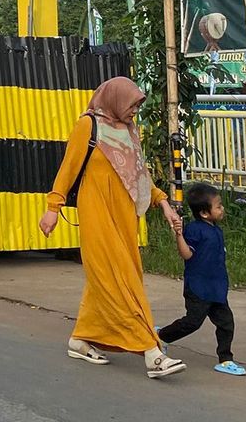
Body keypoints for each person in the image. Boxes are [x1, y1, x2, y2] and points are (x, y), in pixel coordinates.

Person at [39, 76, 186, 379]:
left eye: (137, 105)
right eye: (132, 104)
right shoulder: (88, 126)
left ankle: (81, 339)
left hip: (126, 220)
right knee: (122, 282)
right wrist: (53, 208)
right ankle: (151, 351)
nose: (135, 110)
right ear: (116, 99)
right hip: (98, 217)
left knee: (110, 280)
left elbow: (139, 174)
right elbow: (67, 169)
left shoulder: (130, 131)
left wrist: (163, 203)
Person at [156, 183, 245, 376]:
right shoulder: (195, 230)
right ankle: (160, 336)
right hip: (198, 288)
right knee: (193, 322)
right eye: (219, 206)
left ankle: (225, 359)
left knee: (226, 323)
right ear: (205, 213)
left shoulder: (216, 230)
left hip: (217, 288)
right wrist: (179, 235)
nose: (222, 209)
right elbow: (187, 254)